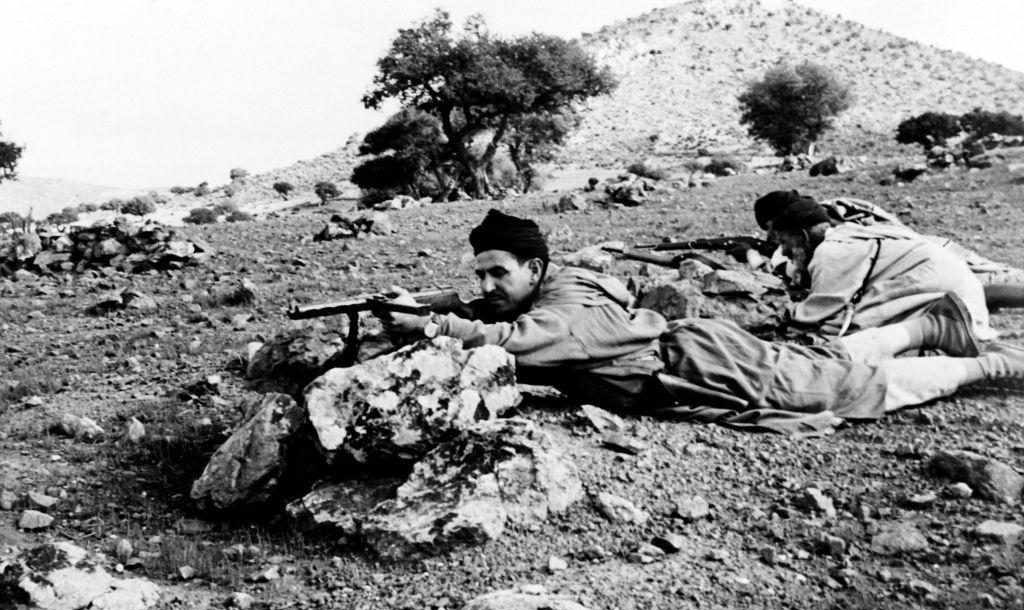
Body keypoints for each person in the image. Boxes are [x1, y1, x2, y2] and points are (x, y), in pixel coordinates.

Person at [379, 209, 1024, 435]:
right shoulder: (544, 289)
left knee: (843, 389)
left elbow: (517, 343)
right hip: (695, 359)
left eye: (499, 274)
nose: (486, 287)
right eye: (479, 275)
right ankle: (924, 330)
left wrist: (435, 330)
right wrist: (434, 304)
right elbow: (487, 311)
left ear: (536, 268)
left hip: (707, 367)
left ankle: (990, 364)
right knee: (829, 367)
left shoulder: (564, 306)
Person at [754, 190, 1024, 340]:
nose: (785, 250)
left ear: (801, 236)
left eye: (786, 242)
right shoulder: (844, 234)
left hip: (941, 281)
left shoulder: (830, 251)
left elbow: (819, 310)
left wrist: (779, 311)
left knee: (847, 331)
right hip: (946, 278)